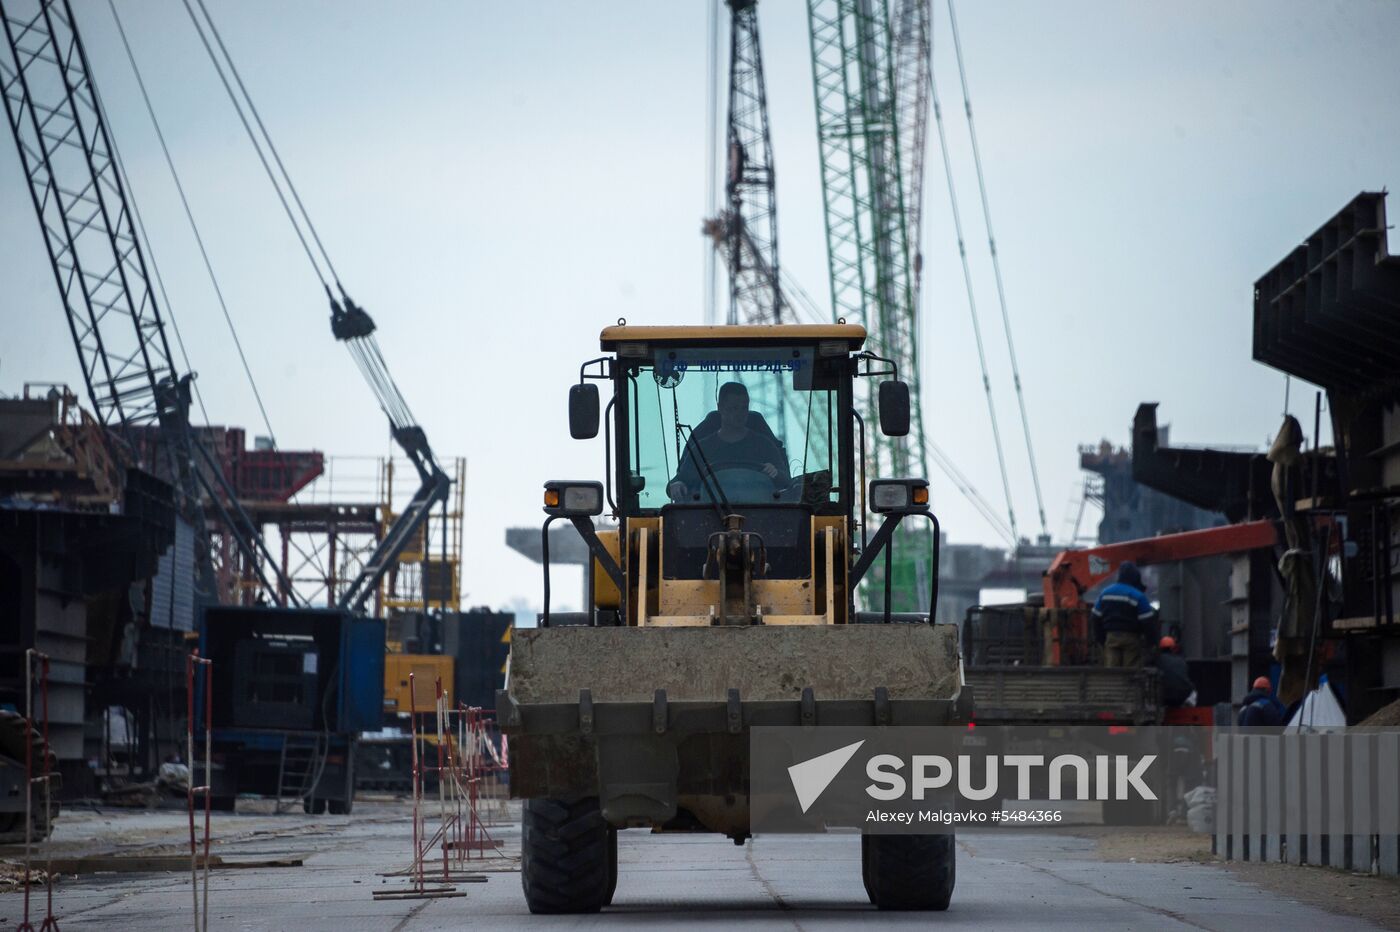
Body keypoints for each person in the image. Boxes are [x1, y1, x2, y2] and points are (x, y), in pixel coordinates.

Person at [667, 382, 789, 502]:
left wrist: (775, 472)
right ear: (720, 408)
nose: (740, 414)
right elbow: (678, 481)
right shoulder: (702, 449)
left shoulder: (764, 445)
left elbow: (788, 482)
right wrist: (676, 485)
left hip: (763, 516)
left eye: (744, 407)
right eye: (734, 408)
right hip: (709, 517)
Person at [1091, 561, 1158, 668]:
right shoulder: (1138, 596)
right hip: (1131, 639)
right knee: (1130, 674)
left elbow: (1095, 617)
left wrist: (1101, 638)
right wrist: (1152, 643)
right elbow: (1148, 622)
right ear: (1135, 577)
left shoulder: (1105, 593)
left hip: (1111, 637)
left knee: (1112, 671)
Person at [1154, 635, 1196, 707]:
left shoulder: (1158, 660)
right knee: (1194, 691)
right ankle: (1188, 708)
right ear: (1173, 648)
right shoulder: (1181, 660)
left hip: (1164, 696)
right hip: (1183, 695)